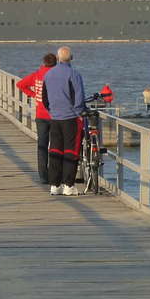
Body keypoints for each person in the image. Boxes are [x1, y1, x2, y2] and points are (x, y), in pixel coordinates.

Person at [41, 46, 86, 196]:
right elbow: (79, 98)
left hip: (54, 118)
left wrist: (52, 111)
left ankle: (54, 185)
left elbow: (44, 98)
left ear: (58, 58)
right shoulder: (74, 74)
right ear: (71, 58)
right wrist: (79, 112)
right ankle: (68, 185)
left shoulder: (48, 74)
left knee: (55, 150)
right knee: (71, 151)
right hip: (70, 118)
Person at [16, 52, 57, 183]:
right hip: (56, 115)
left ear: (44, 62)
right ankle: (54, 174)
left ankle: (43, 176)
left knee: (42, 145)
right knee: (55, 146)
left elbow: (20, 84)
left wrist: (33, 95)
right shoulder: (56, 75)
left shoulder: (37, 75)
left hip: (40, 115)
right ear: (55, 63)